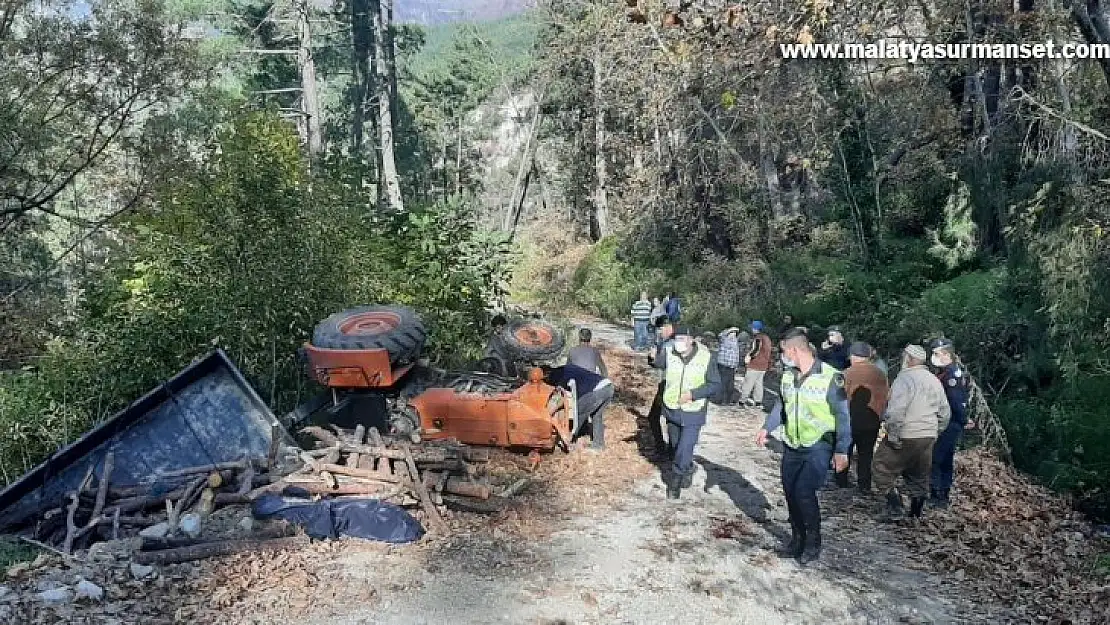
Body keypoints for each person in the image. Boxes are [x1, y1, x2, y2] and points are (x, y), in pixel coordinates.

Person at [755, 329, 850, 564]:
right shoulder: (788, 376)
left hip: (819, 444)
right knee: (790, 492)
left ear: (794, 350)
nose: (782, 355)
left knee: (804, 492)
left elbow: (842, 415)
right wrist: (767, 427)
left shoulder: (831, 377)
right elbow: (781, 406)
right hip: (792, 443)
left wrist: (841, 450)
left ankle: (812, 543)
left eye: (784, 351)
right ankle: (796, 540)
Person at [873, 345, 951, 521]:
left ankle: (895, 508)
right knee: (919, 474)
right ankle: (915, 514)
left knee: (881, 468)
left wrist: (893, 435)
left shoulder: (904, 379)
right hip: (927, 435)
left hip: (906, 433)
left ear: (907, 358)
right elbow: (945, 412)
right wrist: (934, 431)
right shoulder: (933, 380)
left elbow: (895, 411)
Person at [654, 325, 720, 499]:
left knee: (685, 447)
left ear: (692, 340)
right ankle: (688, 468)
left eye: (682, 339)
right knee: (676, 447)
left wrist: (693, 394)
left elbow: (715, 385)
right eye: (677, 339)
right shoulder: (670, 353)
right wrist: (652, 357)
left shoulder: (706, 358)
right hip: (672, 409)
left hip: (693, 412)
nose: (679, 343)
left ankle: (674, 484)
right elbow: (658, 363)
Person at [836, 342, 889, 493]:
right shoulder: (880, 374)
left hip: (850, 421)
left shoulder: (847, 373)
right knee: (866, 454)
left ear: (852, 356)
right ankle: (864, 485)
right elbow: (886, 395)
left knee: (845, 449)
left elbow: (838, 397)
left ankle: (841, 480)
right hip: (872, 421)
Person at [928, 338, 972, 508]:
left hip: (949, 422)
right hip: (945, 420)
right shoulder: (944, 373)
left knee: (938, 458)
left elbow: (955, 401)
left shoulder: (952, 375)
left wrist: (963, 419)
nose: (934, 357)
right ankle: (940, 493)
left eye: (936, 354)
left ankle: (938, 494)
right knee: (943, 458)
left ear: (946, 354)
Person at [546, 363, 614, 451]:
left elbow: (559, 396)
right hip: (608, 386)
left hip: (596, 391)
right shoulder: (568, 367)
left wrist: (548, 411)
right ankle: (598, 445)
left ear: (547, 373)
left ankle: (569, 441)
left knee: (578, 413)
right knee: (596, 415)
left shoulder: (557, 375)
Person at [646, 317, 676, 457]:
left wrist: (652, 357)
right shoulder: (676, 342)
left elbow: (661, 364)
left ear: (668, 327)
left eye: (660, 329)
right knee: (670, 418)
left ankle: (662, 448)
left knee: (654, 417)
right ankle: (671, 449)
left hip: (666, 385)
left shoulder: (669, 345)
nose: (659, 332)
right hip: (672, 385)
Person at [739, 320, 773, 408]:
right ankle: (758, 402)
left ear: (755, 329)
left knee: (748, 383)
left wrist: (749, 357)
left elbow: (756, 350)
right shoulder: (767, 338)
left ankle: (742, 401)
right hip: (763, 366)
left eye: (752, 328)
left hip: (755, 364)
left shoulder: (758, 338)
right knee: (759, 384)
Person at [715, 327, 741, 404]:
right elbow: (736, 355)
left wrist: (725, 332)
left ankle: (721, 400)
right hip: (729, 366)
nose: (734, 335)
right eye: (733, 333)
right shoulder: (733, 342)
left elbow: (720, 336)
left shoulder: (724, 340)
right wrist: (736, 365)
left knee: (724, 383)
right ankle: (726, 400)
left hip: (725, 365)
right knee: (728, 384)